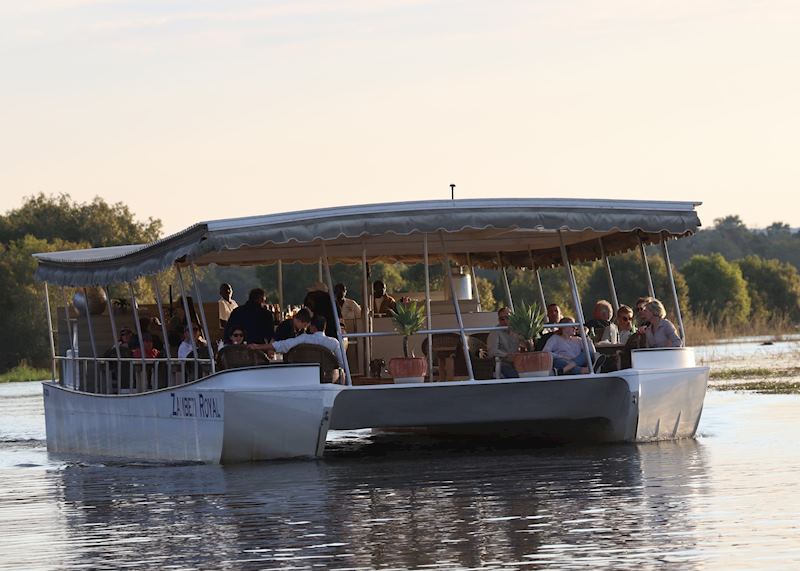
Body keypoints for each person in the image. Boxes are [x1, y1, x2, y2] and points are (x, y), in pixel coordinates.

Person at [249, 314, 344, 367]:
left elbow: (283, 345)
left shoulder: (304, 338)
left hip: (305, 375)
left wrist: (258, 346)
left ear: (312, 327)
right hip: (327, 376)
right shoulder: (334, 342)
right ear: (324, 328)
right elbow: (342, 363)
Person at [486, 307, 523, 378]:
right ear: (499, 320)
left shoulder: (517, 330)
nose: (505, 321)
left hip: (518, 362)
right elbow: (492, 351)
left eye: (507, 317)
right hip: (503, 363)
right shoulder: (495, 332)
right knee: (515, 376)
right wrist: (507, 355)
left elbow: (524, 344)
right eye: (502, 319)